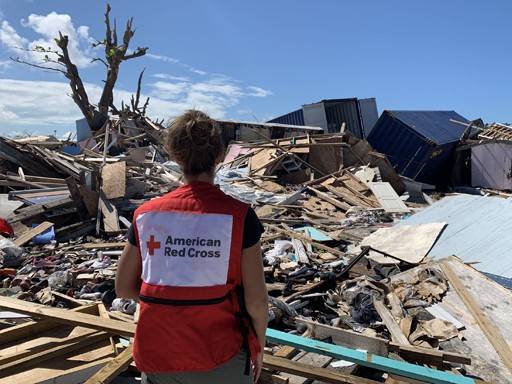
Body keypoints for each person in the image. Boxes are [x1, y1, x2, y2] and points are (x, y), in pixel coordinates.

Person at [116, 110, 268, 384]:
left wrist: (169, 300)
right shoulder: (240, 217)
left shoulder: (146, 215)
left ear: (175, 155)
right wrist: (260, 347)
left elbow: (124, 287)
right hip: (221, 358)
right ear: (220, 156)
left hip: (158, 356)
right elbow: (256, 302)